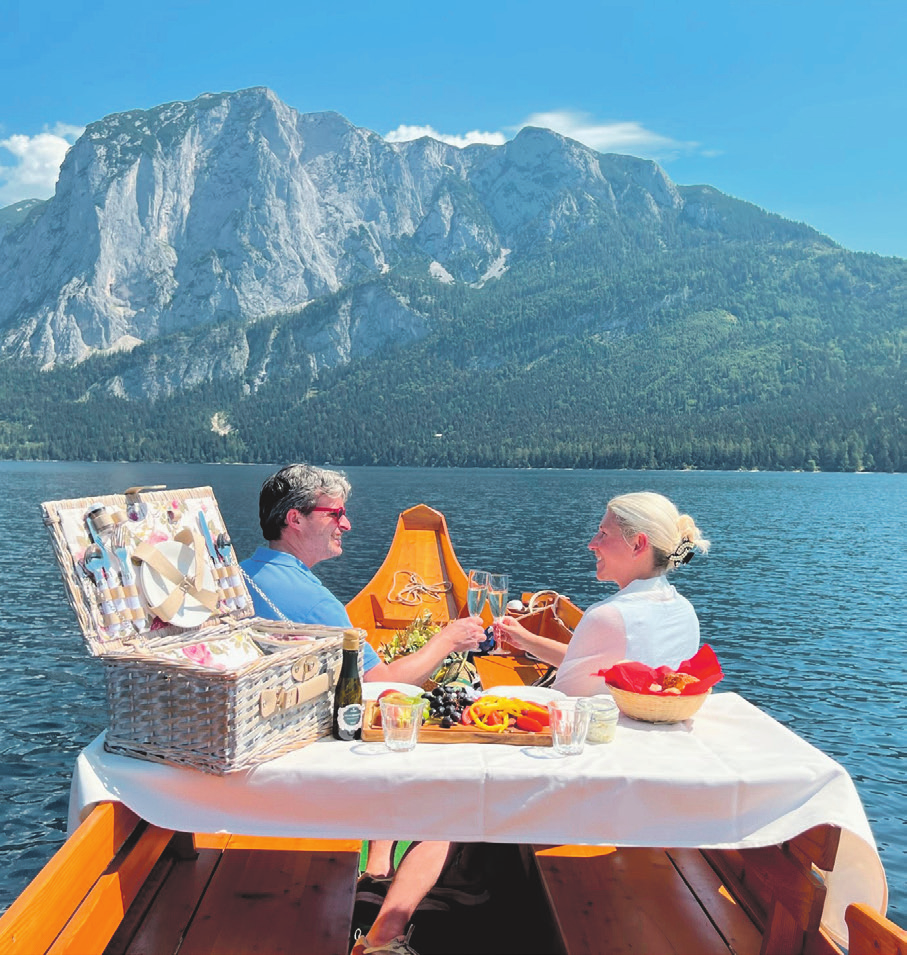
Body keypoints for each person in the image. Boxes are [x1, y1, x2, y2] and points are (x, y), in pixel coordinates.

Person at [241, 464, 485, 955]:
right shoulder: (309, 599)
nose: (346, 524)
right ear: (295, 518)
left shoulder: (247, 572)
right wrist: (448, 638)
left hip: (267, 730)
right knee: (447, 779)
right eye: (336, 514)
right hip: (307, 750)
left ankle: (376, 868)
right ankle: (382, 938)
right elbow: (378, 682)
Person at [499, 491, 710, 697]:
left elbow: (562, 700)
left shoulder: (609, 616)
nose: (592, 544)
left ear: (638, 544)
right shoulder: (685, 610)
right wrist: (526, 640)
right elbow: (598, 662)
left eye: (603, 534)